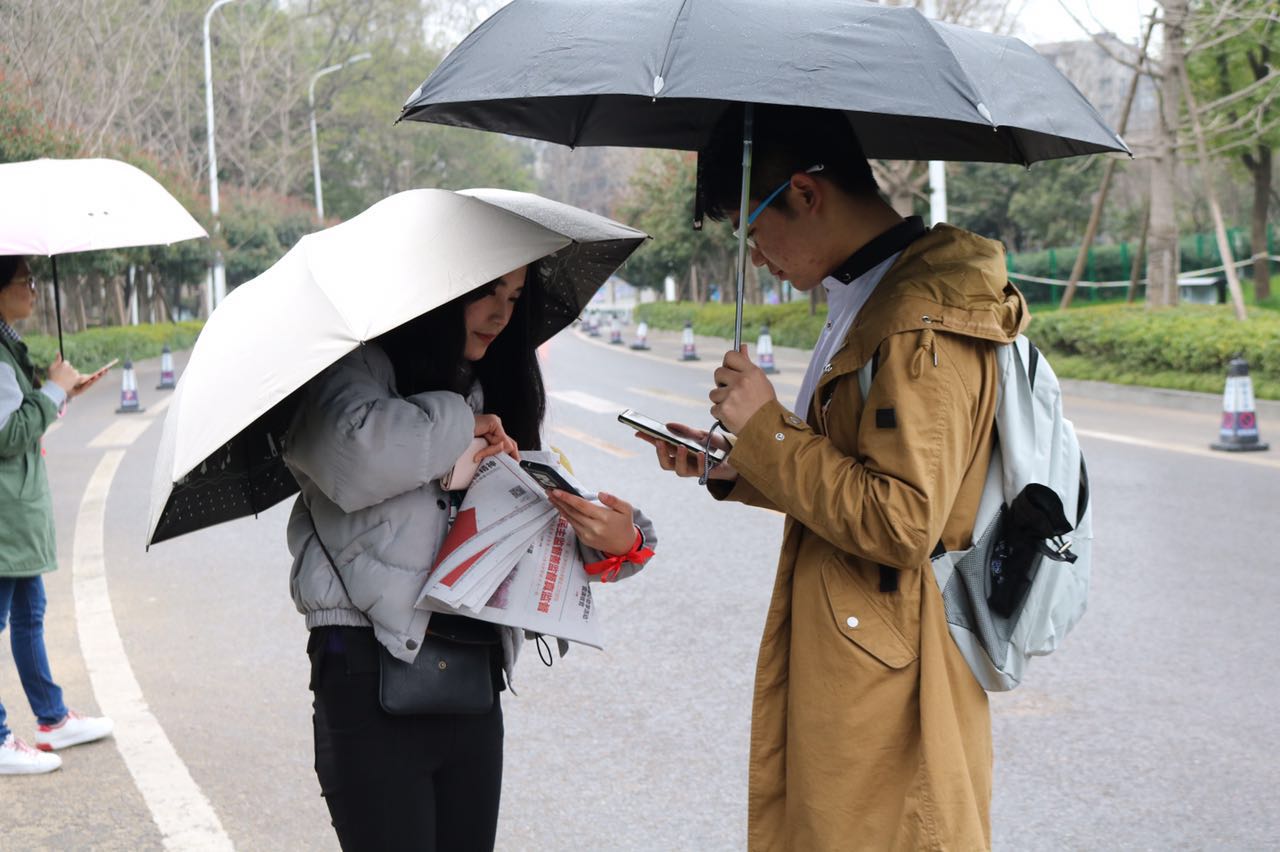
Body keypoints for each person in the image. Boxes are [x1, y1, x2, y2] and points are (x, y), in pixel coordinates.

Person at [640, 105, 1027, 850]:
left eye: (750, 229)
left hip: (890, 672)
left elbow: (901, 521)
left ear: (805, 194)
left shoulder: (918, 321)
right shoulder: (872, 294)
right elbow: (848, 470)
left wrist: (766, 430)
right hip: (860, 643)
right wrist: (737, 462)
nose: (755, 258)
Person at [284, 262, 657, 852]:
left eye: (514, 297)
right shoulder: (352, 371)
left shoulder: (489, 385)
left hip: (472, 677)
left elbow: (533, 514)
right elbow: (355, 457)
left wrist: (621, 541)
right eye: (485, 293)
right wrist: (463, 428)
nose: (502, 314)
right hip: (365, 667)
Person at [0, 255, 114, 775]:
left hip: (16, 511)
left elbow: (23, 419)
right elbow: (7, 435)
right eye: (26, 280)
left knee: (30, 612)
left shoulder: (7, 345)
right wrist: (51, 389)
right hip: (6, 513)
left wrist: (60, 393)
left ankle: (51, 718)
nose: (34, 290)